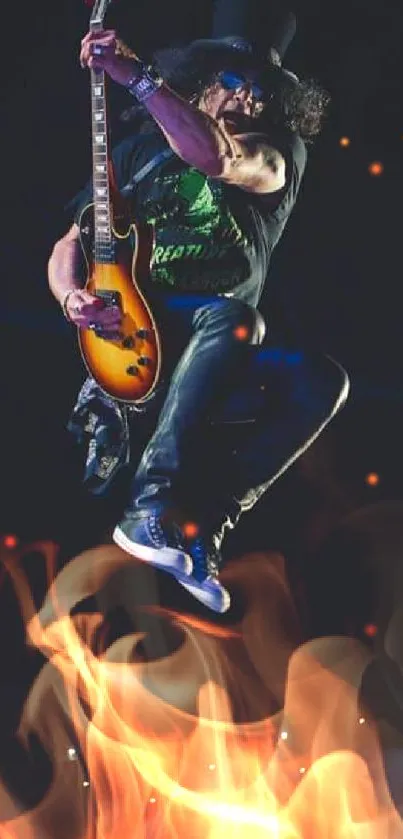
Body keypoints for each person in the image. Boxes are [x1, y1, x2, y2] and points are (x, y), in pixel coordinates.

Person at [48, 19, 349, 614]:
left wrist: (133, 74)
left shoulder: (277, 155)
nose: (248, 98)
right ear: (203, 84)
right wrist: (70, 300)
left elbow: (218, 157)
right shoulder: (137, 153)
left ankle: (201, 526)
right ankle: (147, 500)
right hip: (140, 330)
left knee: (321, 376)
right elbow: (69, 246)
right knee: (236, 319)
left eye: (264, 92)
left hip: (218, 345)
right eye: (235, 82)